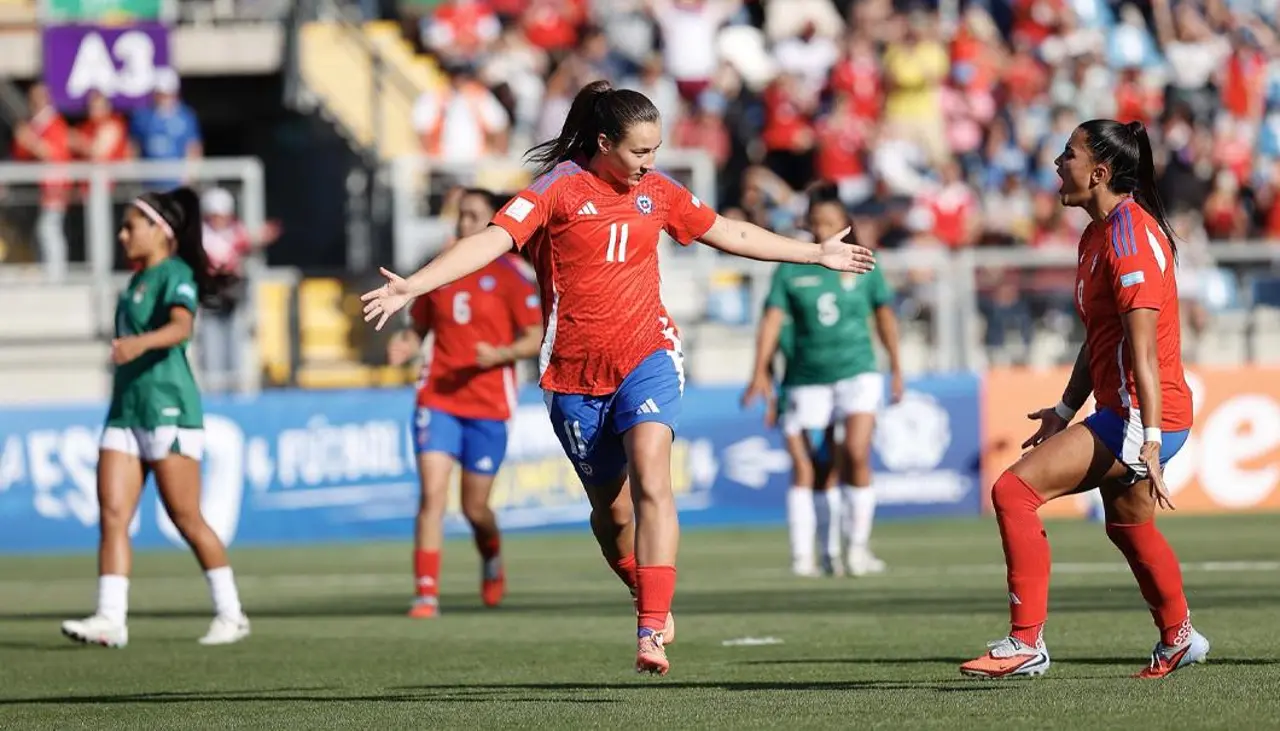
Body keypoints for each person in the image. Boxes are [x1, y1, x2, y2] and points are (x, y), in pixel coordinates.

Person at [360, 79, 875, 676]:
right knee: (615, 516)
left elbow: (727, 233)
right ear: (603, 142)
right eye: (638, 152)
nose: (648, 163)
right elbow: (491, 242)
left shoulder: (658, 191)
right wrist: (415, 284)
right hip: (572, 377)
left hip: (647, 357)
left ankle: (651, 629)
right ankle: (640, 582)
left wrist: (814, 253)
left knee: (655, 478)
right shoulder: (553, 192)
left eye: (655, 150)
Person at [960, 120, 1209, 680]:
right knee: (1127, 525)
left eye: (1067, 154)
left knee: (1013, 491)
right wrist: (1065, 410)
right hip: (1127, 412)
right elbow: (1099, 338)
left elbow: (1143, 353)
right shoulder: (1095, 234)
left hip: (1145, 416)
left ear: (1099, 172)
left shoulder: (1128, 238)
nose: (1056, 162)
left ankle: (1026, 643)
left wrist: (1148, 440)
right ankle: (1179, 637)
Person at [61, 188, 250, 648]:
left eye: (131, 225)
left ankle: (231, 613)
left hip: (169, 406)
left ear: (160, 232)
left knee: (187, 518)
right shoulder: (135, 282)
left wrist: (138, 345)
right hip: (126, 409)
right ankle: (111, 617)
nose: (123, 234)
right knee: (112, 515)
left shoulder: (176, 273)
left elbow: (182, 326)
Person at [386, 188, 544, 618]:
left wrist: (501, 355)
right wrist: (405, 342)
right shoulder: (439, 270)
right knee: (432, 497)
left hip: (489, 404)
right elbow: (418, 329)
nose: (463, 224)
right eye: (461, 215)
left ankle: (491, 557)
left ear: (495, 223)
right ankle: (425, 594)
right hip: (437, 397)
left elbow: (534, 336)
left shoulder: (512, 275)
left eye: (475, 216)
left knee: (475, 507)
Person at [744, 183, 903, 579]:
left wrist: (897, 366)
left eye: (830, 222)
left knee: (856, 452)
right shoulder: (791, 266)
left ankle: (857, 548)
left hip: (858, 370)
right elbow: (772, 322)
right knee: (813, 468)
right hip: (806, 378)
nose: (823, 230)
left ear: (845, 224)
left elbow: (884, 315)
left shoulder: (864, 262)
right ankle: (812, 554)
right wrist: (760, 372)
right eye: (816, 223)